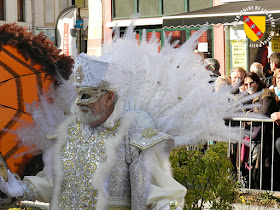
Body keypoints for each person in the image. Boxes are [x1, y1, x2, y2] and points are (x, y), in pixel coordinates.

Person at [0, 53, 186, 209]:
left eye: (86, 95)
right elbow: (53, 183)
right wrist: (22, 188)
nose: (78, 102)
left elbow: (160, 193)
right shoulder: (68, 135)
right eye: (77, 94)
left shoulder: (133, 138)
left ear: (108, 98)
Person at [243, 72, 277, 190]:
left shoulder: (266, 94)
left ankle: (261, 192)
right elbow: (237, 111)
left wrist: (247, 114)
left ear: (257, 82)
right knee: (248, 165)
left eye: (251, 83)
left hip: (264, 136)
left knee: (260, 169)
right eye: (246, 84)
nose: (249, 86)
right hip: (250, 136)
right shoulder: (247, 96)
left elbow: (263, 113)